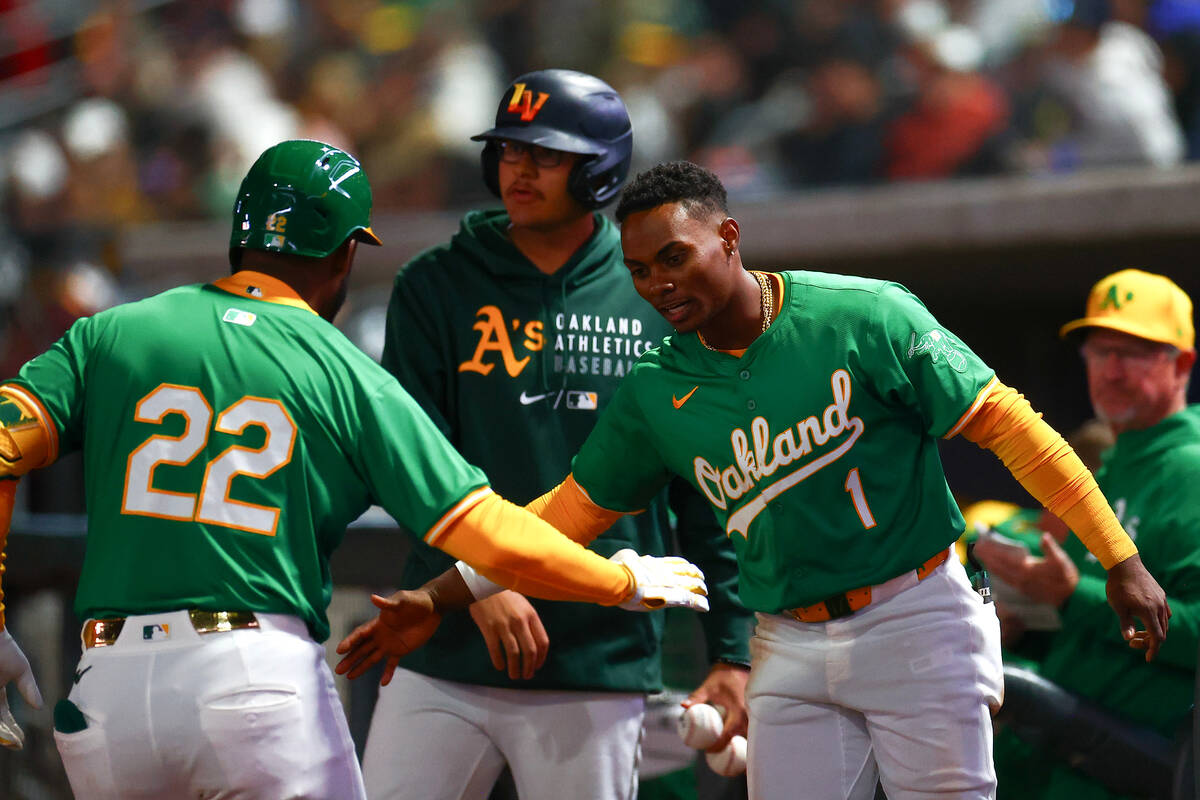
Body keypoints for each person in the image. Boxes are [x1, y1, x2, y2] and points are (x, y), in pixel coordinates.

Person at [341, 161, 1171, 800]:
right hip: (789, 641)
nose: (659, 283)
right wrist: (439, 598)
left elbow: (1015, 431)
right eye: (639, 270)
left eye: (675, 256)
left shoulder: (864, 316)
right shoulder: (657, 390)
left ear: (730, 239)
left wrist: (1119, 557)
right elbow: (557, 519)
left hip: (916, 615)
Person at [0, 139, 711, 800]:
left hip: (105, 690)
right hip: (252, 680)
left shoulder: (114, 330)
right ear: (343, 256)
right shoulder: (341, 369)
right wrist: (616, 579)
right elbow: (486, 530)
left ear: (239, 235)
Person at [358, 69, 753, 800]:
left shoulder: (654, 292)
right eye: (508, 150)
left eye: (546, 154)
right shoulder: (435, 284)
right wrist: (481, 587)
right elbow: (409, 460)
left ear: (599, 170)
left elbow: (707, 489)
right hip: (447, 643)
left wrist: (734, 650)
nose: (519, 169)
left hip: (599, 654)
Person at [977, 268, 1200, 799]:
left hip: (1129, 771)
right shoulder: (1105, 474)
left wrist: (1069, 596)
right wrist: (1011, 618)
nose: (1113, 371)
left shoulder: (1192, 470)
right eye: (1100, 353)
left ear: (1183, 365)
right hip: (1049, 762)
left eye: (1136, 352)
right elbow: (1069, 619)